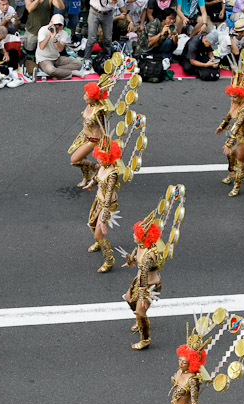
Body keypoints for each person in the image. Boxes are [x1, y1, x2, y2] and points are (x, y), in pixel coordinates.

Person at [121, 214, 163, 349]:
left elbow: (144, 274)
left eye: (136, 234)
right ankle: (140, 321)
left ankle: (145, 339)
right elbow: (134, 256)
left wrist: (143, 295)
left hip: (149, 286)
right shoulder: (140, 246)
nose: (133, 235)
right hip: (140, 281)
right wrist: (129, 261)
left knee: (140, 312)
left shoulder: (149, 256)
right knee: (128, 298)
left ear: (144, 236)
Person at [215, 70, 244, 197]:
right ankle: (232, 174)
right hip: (238, 134)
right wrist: (222, 125)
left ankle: (237, 186)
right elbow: (229, 114)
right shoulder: (235, 102)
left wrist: (228, 143)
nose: (232, 99)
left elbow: (237, 125)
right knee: (230, 155)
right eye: (231, 96)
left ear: (242, 95)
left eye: (235, 97)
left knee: (240, 161)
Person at [83, 138, 121, 274]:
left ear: (108, 158)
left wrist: (104, 219)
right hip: (98, 200)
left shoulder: (112, 174)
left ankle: (109, 260)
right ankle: (98, 243)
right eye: (98, 157)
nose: (98, 160)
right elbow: (97, 177)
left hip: (107, 205)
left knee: (99, 234)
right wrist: (91, 183)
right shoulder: (102, 166)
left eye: (101, 158)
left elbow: (109, 195)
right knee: (91, 223)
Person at [68, 81, 107, 187]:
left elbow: (104, 127)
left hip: (92, 140)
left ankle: (96, 167)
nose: (84, 97)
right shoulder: (89, 105)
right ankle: (86, 177)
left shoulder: (98, 111)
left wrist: (101, 144)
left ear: (94, 97)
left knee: (74, 160)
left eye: (87, 95)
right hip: (83, 136)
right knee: (81, 159)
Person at [36, 13, 84, 79]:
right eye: (55, 24)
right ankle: (71, 73)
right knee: (51, 70)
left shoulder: (64, 33)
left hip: (56, 58)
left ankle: (58, 73)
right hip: (44, 59)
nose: (57, 27)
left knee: (78, 64)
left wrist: (54, 39)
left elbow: (60, 49)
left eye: (59, 25)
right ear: (51, 23)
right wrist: (50, 34)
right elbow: (41, 47)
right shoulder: (43, 30)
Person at [82, 0, 113, 70]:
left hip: (108, 14)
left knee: (108, 38)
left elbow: (117, 3)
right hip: (94, 12)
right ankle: (87, 59)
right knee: (92, 38)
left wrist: (130, 21)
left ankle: (107, 57)